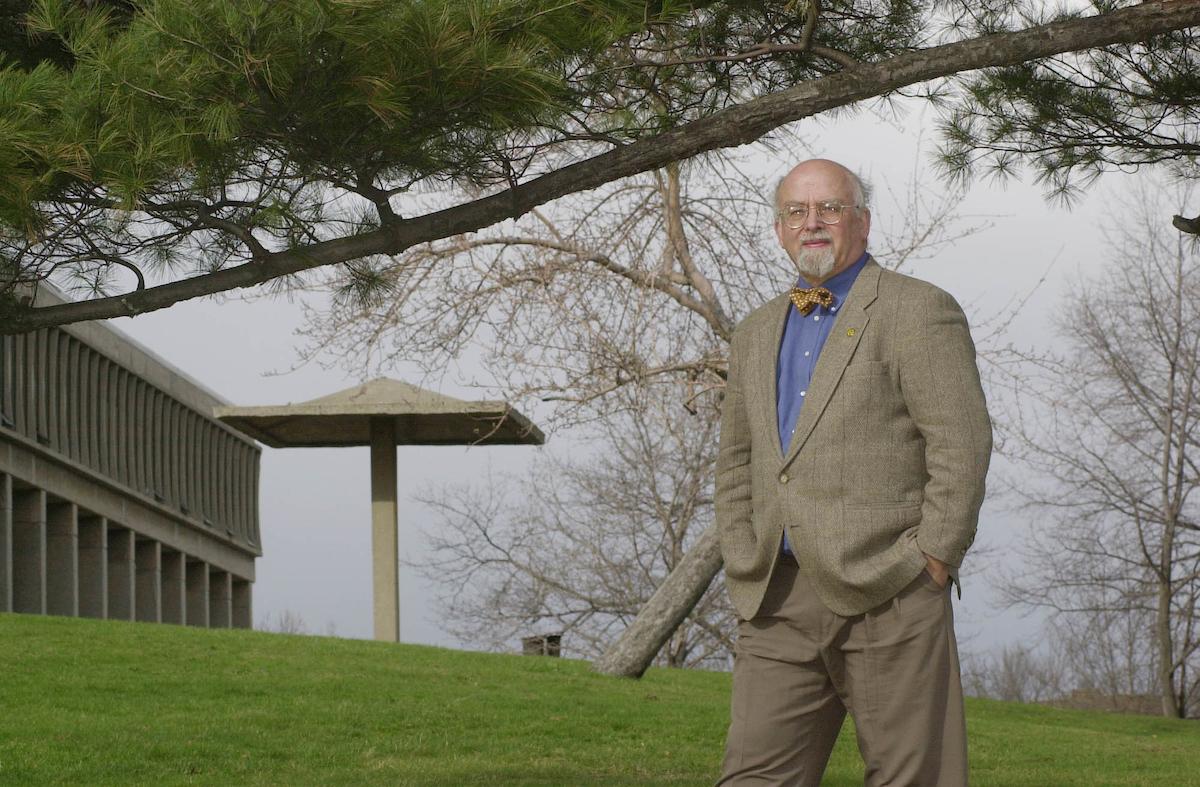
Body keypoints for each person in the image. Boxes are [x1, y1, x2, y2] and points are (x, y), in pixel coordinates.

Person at [715, 158, 992, 786]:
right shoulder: (755, 332)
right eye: (796, 211)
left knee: (912, 777)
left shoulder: (919, 309)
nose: (812, 223)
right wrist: (740, 550)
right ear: (779, 229)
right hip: (776, 596)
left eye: (830, 209)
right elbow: (736, 460)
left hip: (891, 587)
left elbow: (962, 442)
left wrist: (934, 557)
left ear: (861, 222)